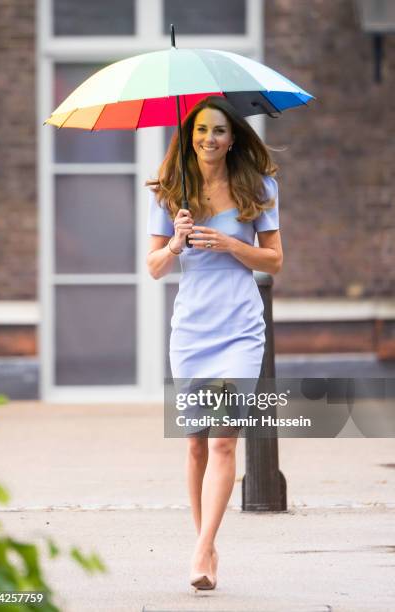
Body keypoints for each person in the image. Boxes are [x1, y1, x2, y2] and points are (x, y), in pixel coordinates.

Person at [146, 95, 283, 591]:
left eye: (220, 131)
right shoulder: (169, 193)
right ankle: (205, 540)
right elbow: (155, 268)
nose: (210, 138)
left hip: (240, 328)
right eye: (201, 130)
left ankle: (203, 550)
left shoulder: (259, 186)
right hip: (192, 331)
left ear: (233, 138)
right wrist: (177, 242)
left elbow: (274, 261)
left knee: (225, 440)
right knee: (196, 444)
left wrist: (232, 245)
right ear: (190, 136)